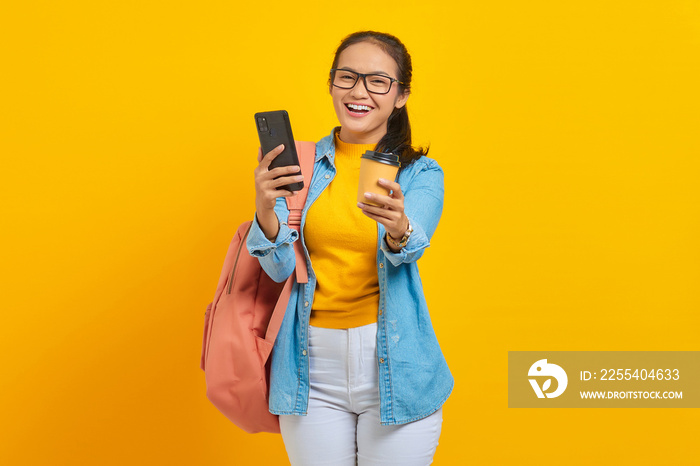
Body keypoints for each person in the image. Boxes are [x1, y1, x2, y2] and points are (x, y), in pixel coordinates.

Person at [248, 31, 453, 466]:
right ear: (331, 83)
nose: (359, 91)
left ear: (401, 95)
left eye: (378, 81)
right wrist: (265, 209)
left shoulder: (419, 172)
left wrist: (398, 227)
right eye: (348, 77)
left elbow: (409, 249)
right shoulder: (301, 164)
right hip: (310, 366)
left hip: (396, 363)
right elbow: (281, 269)